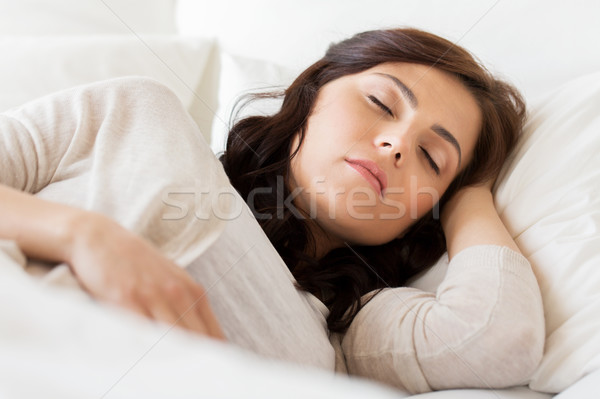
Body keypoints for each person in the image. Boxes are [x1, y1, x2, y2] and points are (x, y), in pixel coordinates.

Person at [0, 28, 544, 393]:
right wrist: (81, 235)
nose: (398, 144)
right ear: (311, 93)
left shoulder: (354, 328)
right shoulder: (142, 113)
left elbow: (496, 339)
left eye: (430, 157)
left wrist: (469, 189)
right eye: (381, 103)